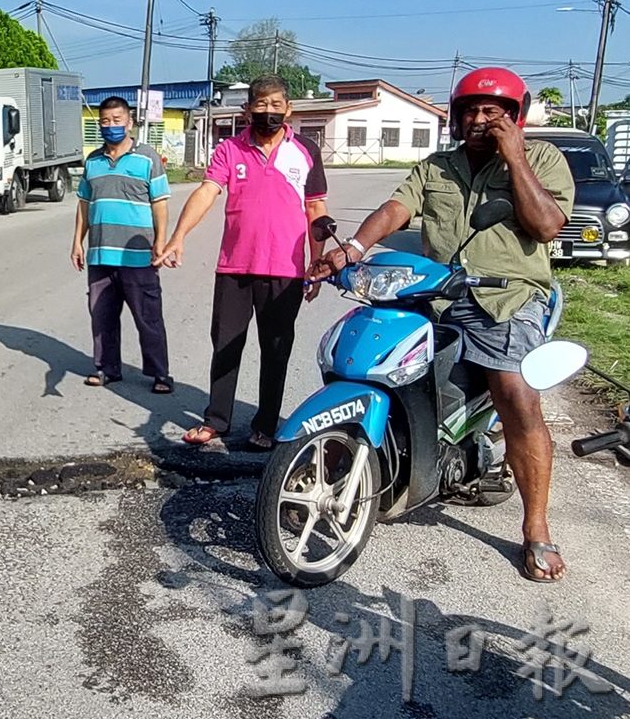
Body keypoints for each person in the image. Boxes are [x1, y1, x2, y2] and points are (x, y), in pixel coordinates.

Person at [308, 67, 574, 582]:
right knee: (379, 364)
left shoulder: (542, 159)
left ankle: (536, 528)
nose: (478, 120)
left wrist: (514, 155)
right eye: (469, 110)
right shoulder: (437, 166)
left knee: (515, 393)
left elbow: (546, 225)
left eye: (491, 112)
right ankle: (355, 469)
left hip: (509, 297)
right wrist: (353, 249)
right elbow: (395, 209)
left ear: (514, 118)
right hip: (438, 293)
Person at [154, 74, 329, 451]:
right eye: (261, 105)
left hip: (286, 270)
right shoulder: (230, 150)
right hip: (235, 267)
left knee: (277, 348)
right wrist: (178, 236)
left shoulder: (306, 151)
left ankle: (265, 425)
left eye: (276, 105)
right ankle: (216, 420)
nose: (268, 112)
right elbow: (207, 191)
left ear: (289, 109)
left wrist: (316, 264)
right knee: (226, 344)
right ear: (247, 108)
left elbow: (315, 207)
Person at [70, 96, 173, 393]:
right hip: (101, 254)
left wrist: (161, 243)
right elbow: (84, 205)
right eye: (105, 121)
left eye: (117, 120)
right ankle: (106, 368)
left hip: (138, 255)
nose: (111, 126)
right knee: (101, 315)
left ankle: (160, 374)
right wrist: (77, 242)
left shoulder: (147, 158)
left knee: (148, 316)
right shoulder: (93, 161)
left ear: (129, 122)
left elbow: (160, 205)